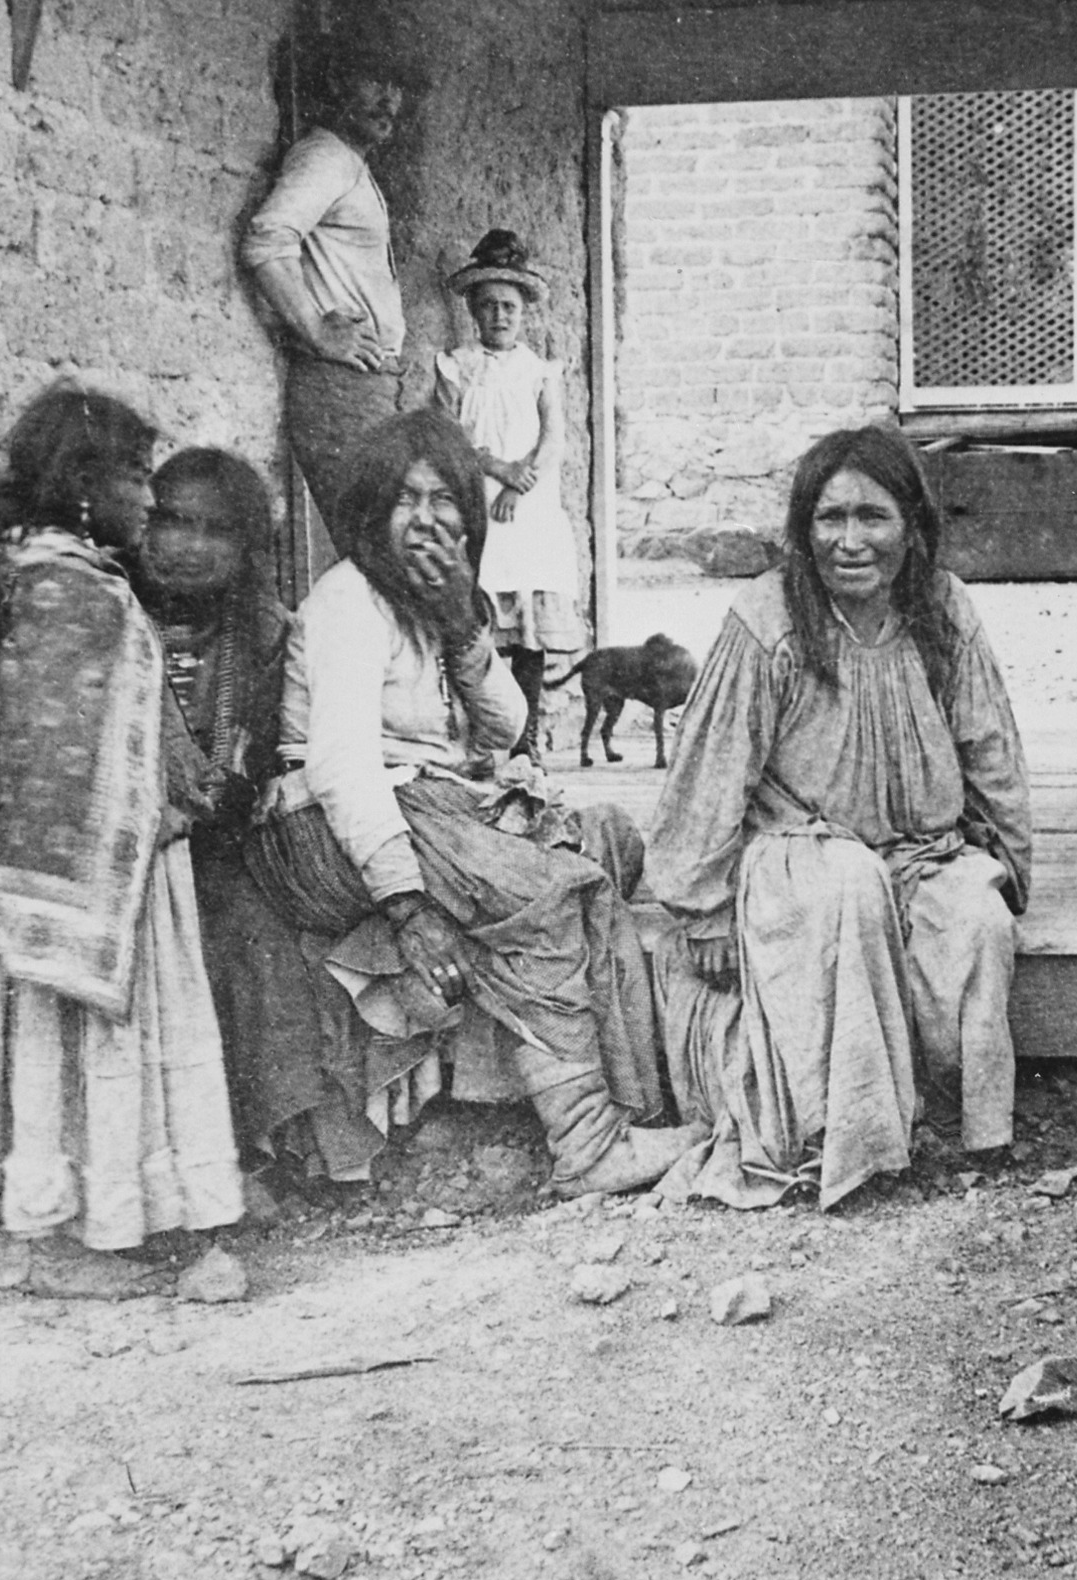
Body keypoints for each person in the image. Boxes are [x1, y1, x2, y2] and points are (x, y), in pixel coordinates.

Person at [245, 411, 701, 1196]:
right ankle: (587, 1145)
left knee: (611, 842)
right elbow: (342, 765)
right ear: (368, 513)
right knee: (548, 894)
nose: (424, 520)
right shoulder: (350, 602)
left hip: (428, 799)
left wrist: (463, 624)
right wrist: (409, 910)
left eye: (443, 499)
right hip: (328, 824)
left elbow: (508, 728)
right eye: (402, 500)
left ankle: (637, 1102)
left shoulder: (437, 602)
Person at [645, 427, 1033, 1210]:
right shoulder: (768, 620)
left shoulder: (942, 608)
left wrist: (1005, 861)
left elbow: (989, 742)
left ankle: (960, 1126)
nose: (851, 542)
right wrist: (703, 908)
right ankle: (851, 1138)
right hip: (799, 849)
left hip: (919, 851)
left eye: (873, 518)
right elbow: (708, 771)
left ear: (912, 529)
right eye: (830, 519)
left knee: (975, 920)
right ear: (804, 529)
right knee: (850, 886)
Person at [0, 388, 243, 1290]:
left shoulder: (71, 578)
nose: (149, 504)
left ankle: (123, 1211)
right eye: (132, 478)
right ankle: (60, 1238)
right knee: (79, 1041)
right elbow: (54, 746)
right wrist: (149, 815)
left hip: (111, 864)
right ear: (81, 487)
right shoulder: (63, 589)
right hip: (92, 874)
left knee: (102, 1047)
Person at [137, 445, 386, 1198]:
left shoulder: (268, 633)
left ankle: (259, 1147)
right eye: (169, 521)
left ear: (247, 546)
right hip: (137, 850)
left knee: (256, 947)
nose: (183, 545)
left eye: (212, 530)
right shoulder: (119, 617)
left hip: (226, 847)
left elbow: (273, 753)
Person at [244, 44, 418, 522]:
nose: (389, 99)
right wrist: (317, 330)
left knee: (386, 545)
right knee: (381, 543)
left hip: (367, 384)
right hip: (339, 387)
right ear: (338, 83)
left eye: (396, 86)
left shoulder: (351, 164)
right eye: (374, 81)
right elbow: (266, 240)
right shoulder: (325, 157)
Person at [432, 229, 585, 757]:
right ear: (474, 312)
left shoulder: (539, 372)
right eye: (490, 306)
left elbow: (553, 439)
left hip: (529, 509)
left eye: (510, 308)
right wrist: (495, 467)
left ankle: (527, 739)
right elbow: (446, 436)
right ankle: (483, 733)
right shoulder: (456, 366)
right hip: (477, 502)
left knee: (528, 631)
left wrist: (520, 483)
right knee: (480, 625)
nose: (500, 316)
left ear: (525, 315)